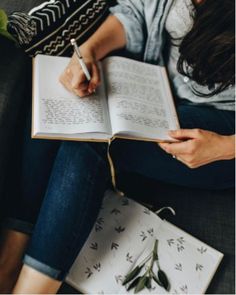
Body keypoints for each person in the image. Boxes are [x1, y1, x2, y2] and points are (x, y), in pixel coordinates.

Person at [0, 0, 235, 293]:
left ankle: (31, 289)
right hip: (156, 87)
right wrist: (90, 50)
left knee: (92, 138)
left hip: (224, 129)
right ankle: (9, 259)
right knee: (53, 101)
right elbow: (136, 13)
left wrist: (225, 147)